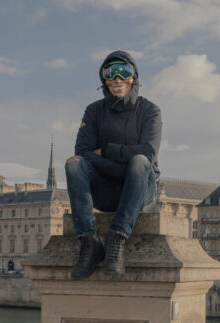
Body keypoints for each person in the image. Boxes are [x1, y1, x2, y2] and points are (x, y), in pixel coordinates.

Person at [65, 50, 162, 280]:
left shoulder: (150, 111)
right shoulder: (93, 111)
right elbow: (82, 153)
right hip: (106, 190)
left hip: (141, 190)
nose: (117, 79)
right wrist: (122, 163)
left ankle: (117, 238)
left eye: (123, 72)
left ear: (133, 76)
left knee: (139, 162)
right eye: (111, 73)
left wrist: (107, 151)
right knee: (73, 164)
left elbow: (148, 152)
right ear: (104, 79)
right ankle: (89, 242)